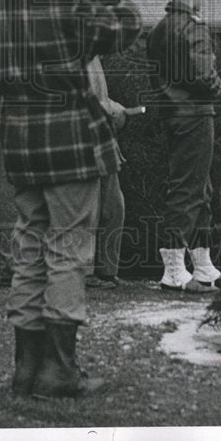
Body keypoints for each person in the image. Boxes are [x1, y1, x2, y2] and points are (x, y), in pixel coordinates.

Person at [0, 0, 142, 399]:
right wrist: (108, 1)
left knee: (28, 250)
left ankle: (25, 368)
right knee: (67, 252)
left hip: (20, 147)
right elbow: (125, 28)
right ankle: (61, 370)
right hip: (70, 143)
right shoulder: (61, 2)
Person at [146, 0, 221, 294]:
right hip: (196, 117)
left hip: (172, 116)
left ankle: (203, 266)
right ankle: (173, 269)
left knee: (198, 188)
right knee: (189, 190)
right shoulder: (194, 28)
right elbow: (204, 80)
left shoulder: (158, 30)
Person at [85, 56, 144, 290]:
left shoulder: (92, 53)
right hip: (85, 141)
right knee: (87, 210)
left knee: (113, 207)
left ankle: (107, 269)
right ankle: (86, 270)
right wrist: (114, 110)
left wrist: (114, 108)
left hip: (105, 142)